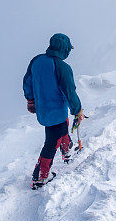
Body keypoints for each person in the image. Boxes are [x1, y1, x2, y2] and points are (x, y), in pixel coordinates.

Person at [23, 33, 84, 189]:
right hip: (56, 110)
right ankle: (40, 177)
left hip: (42, 109)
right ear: (64, 49)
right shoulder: (62, 67)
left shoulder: (36, 61)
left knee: (60, 128)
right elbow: (69, 92)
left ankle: (67, 148)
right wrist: (78, 111)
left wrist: (31, 101)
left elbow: (27, 81)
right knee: (51, 142)